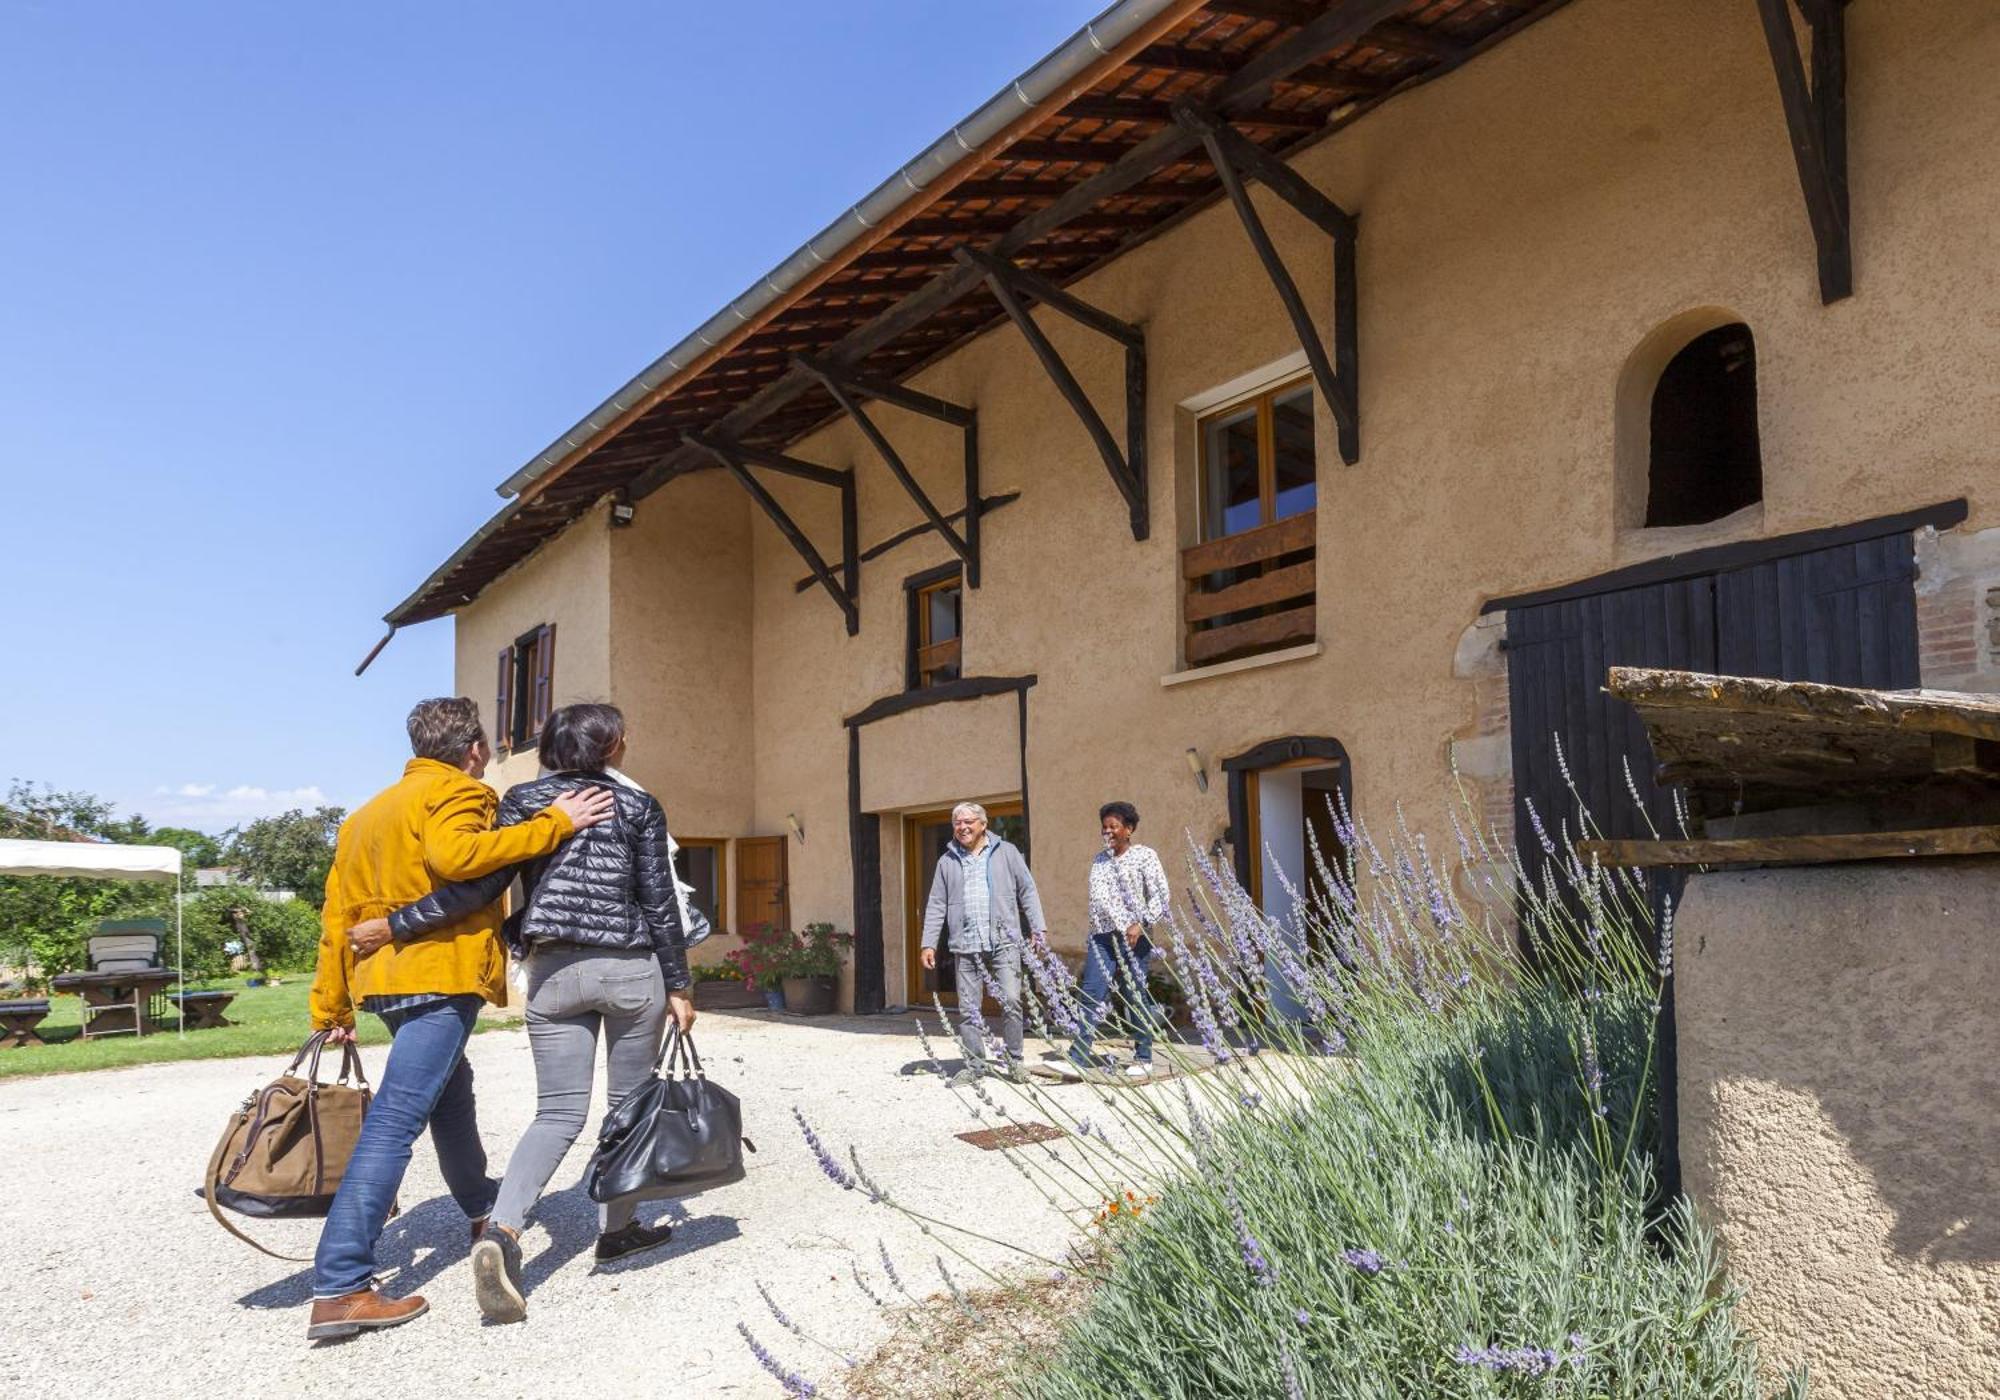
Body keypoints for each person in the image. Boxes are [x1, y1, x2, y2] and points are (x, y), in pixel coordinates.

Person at [366, 702, 696, 1325]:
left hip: (552, 975)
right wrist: (679, 985)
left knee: (557, 1112)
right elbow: (659, 902)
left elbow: (479, 887)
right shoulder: (637, 805)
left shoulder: (522, 799)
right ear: (612, 745)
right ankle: (618, 1230)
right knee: (627, 1108)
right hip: (630, 971)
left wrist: (396, 924)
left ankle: (503, 1232)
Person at [304, 697, 613, 1342]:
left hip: (383, 982)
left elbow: (336, 915)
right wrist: (556, 823)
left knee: (452, 1094)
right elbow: (459, 859)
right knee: (395, 1120)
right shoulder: (458, 793)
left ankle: (480, 1207)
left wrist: (330, 1004)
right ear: (474, 750)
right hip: (436, 976)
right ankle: (340, 1285)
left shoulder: (365, 816)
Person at [919, 801, 1047, 1085]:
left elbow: (1027, 890)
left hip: (1004, 942)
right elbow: (936, 904)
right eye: (957, 823)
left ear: (983, 825)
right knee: (968, 1009)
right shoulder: (947, 861)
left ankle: (1015, 1062)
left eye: (968, 822)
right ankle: (974, 1065)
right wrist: (928, 943)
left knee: (1012, 1001)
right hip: (965, 945)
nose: (962, 827)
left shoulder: (1007, 852)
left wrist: (1038, 929)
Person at [1068, 801, 1171, 1080]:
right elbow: (1099, 900)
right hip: (1102, 937)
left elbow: (1161, 895)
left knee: (1134, 994)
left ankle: (1143, 1055)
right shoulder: (1099, 860)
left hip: (1135, 937)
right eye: (1104, 827)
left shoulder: (1144, 856)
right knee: (1090, 994)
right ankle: (1077, 1055)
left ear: (1129, 829)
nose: (1108, 832)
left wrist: (1140, 923)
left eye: (1114, 826)